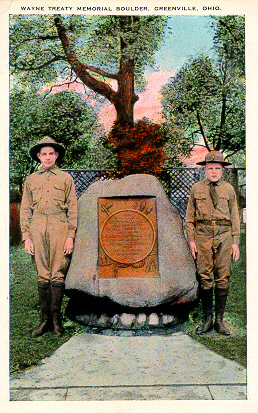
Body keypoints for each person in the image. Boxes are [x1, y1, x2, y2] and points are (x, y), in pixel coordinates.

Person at [20, 137, 78, 336]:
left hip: (59, 225)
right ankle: (44, 321)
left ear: (56, 155)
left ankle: (56, 321)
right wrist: (27, 237)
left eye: (51, 154)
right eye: (43, 154)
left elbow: (72, 208)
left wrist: (70, 235)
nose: (47, 157)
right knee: (42, 274)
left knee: (57, 273)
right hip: (37, 227)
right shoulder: (31, 180)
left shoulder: (65, 178)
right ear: (38, 156)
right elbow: (25, 209)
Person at [185, 151, 240, 335]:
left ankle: (219, 321)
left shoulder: (228, 189)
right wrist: (191, 239)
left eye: (217, 168)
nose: (214, 172)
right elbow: (189, 217)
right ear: (204, 170)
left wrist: (235, 242)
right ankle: (207, 320)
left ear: (222, 170)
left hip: (224, 235)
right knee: (205, 275)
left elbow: (235, 216)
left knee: (223, 276)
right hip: (203, 235)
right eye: (210, 168)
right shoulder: (196, 188)